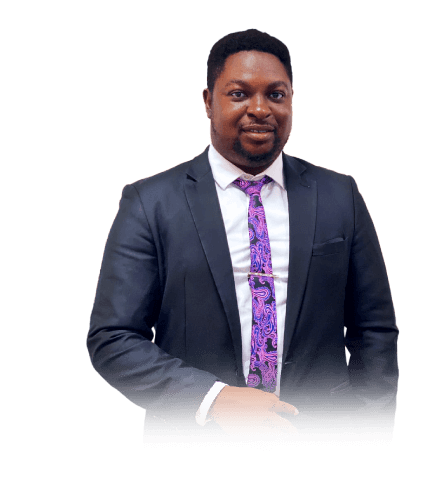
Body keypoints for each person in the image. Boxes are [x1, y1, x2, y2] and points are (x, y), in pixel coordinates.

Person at [87, 28, 399, 443]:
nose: (260, 109)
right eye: (239, 94)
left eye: (276, 94)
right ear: (207, 101)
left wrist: (371, 429)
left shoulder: (339, 194)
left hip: (319, 434)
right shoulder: (150, 201)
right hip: (194, 434)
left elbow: (374, 329)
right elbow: (113, 339)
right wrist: (213, 399)